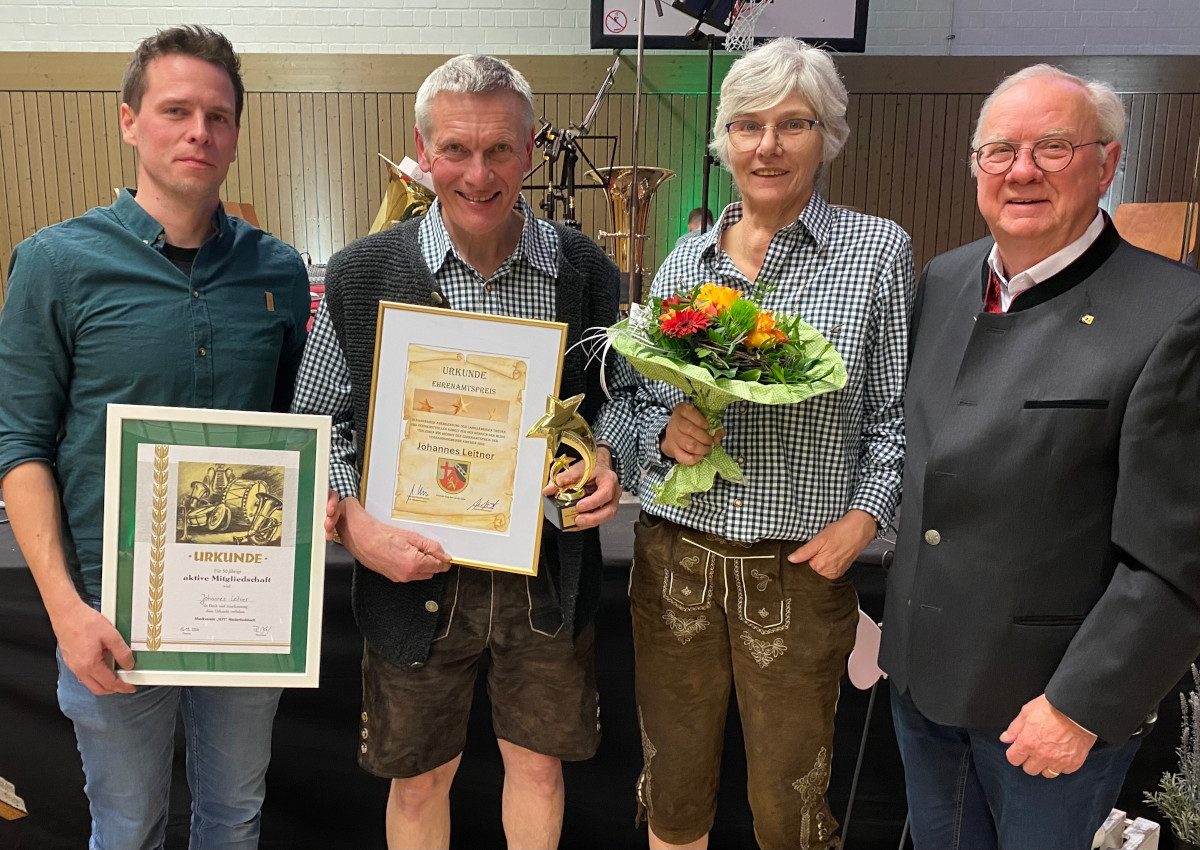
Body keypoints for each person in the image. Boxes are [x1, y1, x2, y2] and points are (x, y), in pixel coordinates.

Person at [289, 54, 623, 850]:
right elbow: (319, 424)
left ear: (533, 148)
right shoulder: (362, 273)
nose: (478, 174)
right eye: (457, 151)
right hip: (411, 575)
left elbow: (621, 408)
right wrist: (357, 527)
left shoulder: (584, 273)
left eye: (500, 149)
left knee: (539, 770)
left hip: (545, 575)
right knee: (419, 779)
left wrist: (605, 460)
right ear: (422, 147)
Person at [595, 37, 913, 850]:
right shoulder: (681, 263)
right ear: (724, 140)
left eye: (792, 124)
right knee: (672, 795)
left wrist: (864, 521)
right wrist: (661, 436)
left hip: (799, 570)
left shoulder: (875, 252)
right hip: (675, 563)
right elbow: (627, 403)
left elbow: (898, 416)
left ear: (827, 134)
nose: (767, 145)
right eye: (748, 125)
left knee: (791, 811)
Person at [0, 25, 310, 850]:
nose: (198, 131)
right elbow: (19, 445)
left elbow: (291, 440)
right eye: (176, 110)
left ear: (237, 134)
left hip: (248, 609)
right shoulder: (55, 264)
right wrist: (66, 612)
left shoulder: (279, 272)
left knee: (234, 822)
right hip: (110, 614)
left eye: (218, 115)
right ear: (130, 121)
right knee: (129, 826)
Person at [880, 64, 1200, 850]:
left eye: (1053, 148)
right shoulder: (945, 280)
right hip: (925, 684)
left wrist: (1083, 705)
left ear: (1107, 162)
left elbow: (1178, 554)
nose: (1021, 170)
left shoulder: (1174, 314)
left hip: (1049, 711)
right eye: (1000, 151)